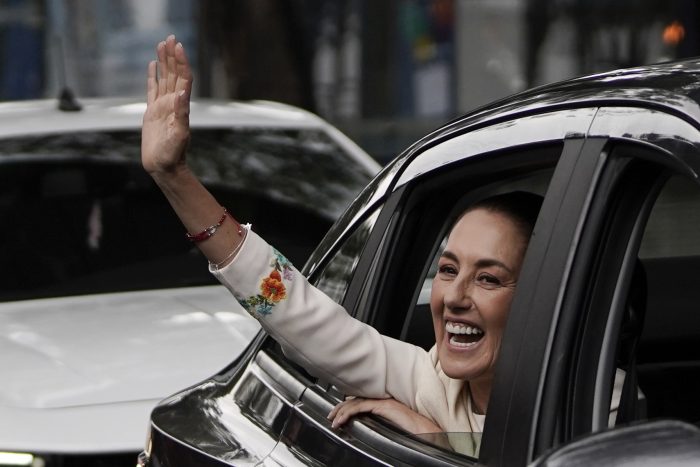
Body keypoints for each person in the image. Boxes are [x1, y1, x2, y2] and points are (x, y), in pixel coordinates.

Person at [142, 36, 619, 440]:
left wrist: (438, 442)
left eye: (489, 279)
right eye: (448, 270)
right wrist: (174, 177)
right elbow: (291, 307)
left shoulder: (603, 405)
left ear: (541, 296)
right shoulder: (428, 381)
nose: (454, 297)